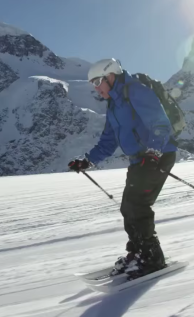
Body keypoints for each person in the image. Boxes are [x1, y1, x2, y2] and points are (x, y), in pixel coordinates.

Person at [68, 58, 177, 278]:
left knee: (138, 205)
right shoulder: (114, 105)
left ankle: (152, 258)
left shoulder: (136, 91)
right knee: (128, 207)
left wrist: (153, 152)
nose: (96, 88)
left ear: (111, 76)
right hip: (139, 160)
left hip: (158, 156)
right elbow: (108, 141)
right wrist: (87, 161)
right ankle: (137, 253)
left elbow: (160, 123)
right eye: (93, 84)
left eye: (98, 81)